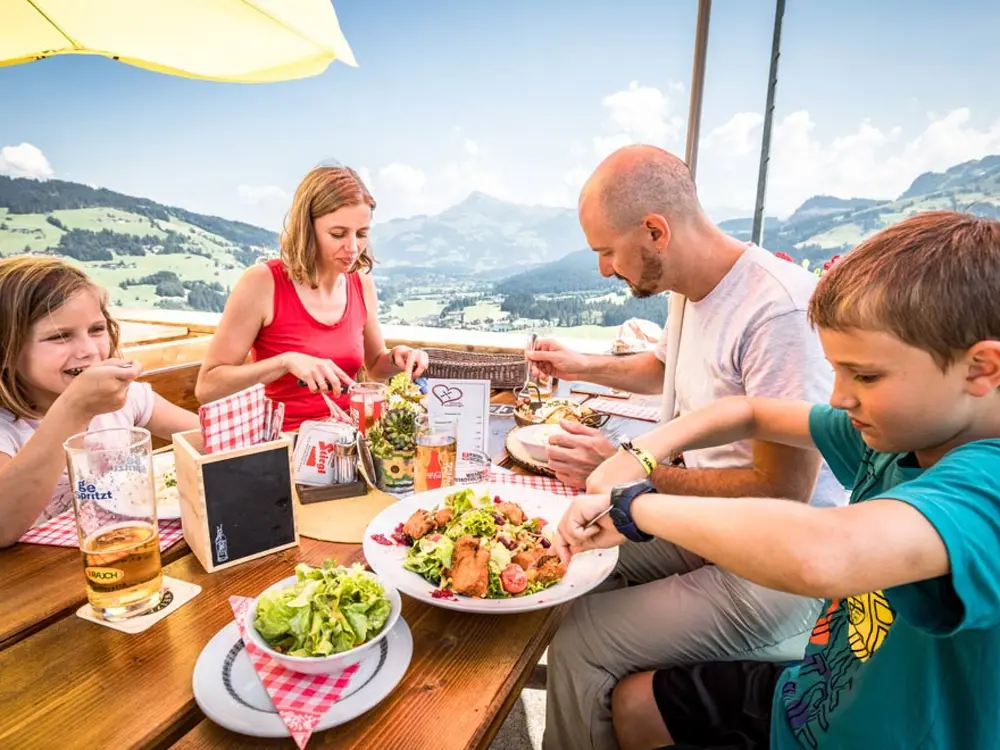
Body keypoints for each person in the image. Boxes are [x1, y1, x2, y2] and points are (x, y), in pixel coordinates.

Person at [556, 211, 1000, 750]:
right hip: (811, 699)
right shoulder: (904, 432)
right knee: (637, 705)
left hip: (878, 733)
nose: (838, 396)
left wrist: (635, 507)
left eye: (865, 376)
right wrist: (642, 454)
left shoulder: (985, 487)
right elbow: (749, 411)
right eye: (837, 370)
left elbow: (823, 552)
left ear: (981, 369)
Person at [535, 145, 844, 750]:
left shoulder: (777, 309)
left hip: (773, 567)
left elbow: (784, 491)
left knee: (579, 640)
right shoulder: (687, 287)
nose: (602, 268)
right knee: (558, 554)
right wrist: (577, 365)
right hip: (706, 527)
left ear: (655, 231)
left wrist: (628, 478)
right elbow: (665, 370)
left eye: (606, 250)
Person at [196, 165, 429, 431]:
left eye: (361, 234)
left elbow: (375, 367)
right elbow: (207, 388)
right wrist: (287, 361)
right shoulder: (262, 283)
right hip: (282, 448)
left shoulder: (362, 284)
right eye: (338, 234)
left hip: (350, 442)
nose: (352, 247)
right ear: (307, 229)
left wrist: (397, 358)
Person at [0, 257, 198, 547]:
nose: (90, 351)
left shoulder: (128, 398)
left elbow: (209, 439)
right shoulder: (7, 427)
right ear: (7, 349)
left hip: (128, 549)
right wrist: (75, 407)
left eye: (96, 329)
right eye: (60, 336)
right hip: (37, 580)